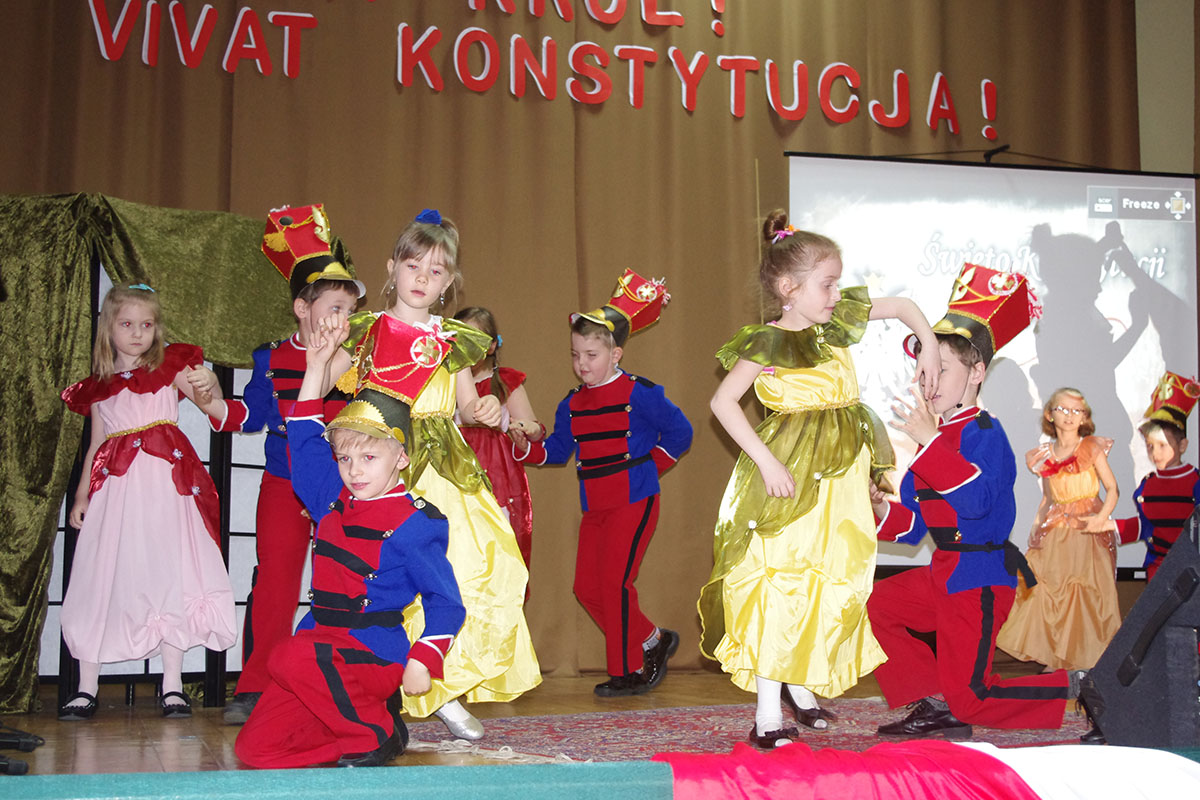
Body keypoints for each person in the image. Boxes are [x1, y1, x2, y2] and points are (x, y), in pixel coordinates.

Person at [698, 213, 941, 750]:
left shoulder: (833, 324)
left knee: (830, 579)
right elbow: (722, 403)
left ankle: (800, 688)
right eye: (827, 284)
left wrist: (926, 341)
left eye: (837, 283)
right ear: (789, 288)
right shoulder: (767, 342)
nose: (836, 294)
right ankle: (768, 715)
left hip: (841, 479)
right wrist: (766, 462)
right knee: (782, 580)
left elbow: (903, 306)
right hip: (792, 477)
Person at [325, 208, 540, 740]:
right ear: (392, 268)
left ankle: (441, 685)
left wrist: (485, 410)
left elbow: (467, 406)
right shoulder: (368, 332)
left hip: (445, 467)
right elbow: (324, 381)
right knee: (385, 578)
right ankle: (381, 686)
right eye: (413, 265)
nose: (422, 278)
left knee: (462, 570)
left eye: (436, 271)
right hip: (386, 464)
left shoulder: (454, 340)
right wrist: (324, 346)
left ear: (449, 283)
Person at [235, 320, 465, 768]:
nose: (354, 470)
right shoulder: (330, 497)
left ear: (401, 457)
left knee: (286, 655)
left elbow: (446, 601)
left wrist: (424, 659)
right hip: (317, 653)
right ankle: (376, 727)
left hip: (371, 655)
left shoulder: (416, 523)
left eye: (369, 457)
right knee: (255, 750)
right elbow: (303, 438)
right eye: (344, 458)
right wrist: (316, 368)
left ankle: (373, 733)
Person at [869, 263, 1080, 740]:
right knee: (876, 604)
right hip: (944, 574)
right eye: (924, 368)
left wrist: (930, 444)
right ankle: (934, 702)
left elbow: (978, 504)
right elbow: (913, 527)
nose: (929, 379)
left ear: (977, 372)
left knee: (973, 699)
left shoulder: (985, 431)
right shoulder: (931, 439)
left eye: (942, 368)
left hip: (980, 579)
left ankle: (1079, 688)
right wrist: (878, 506)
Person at [207, 203, 365, 725]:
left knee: (344, 582)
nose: (343, 319)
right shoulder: (269, 357)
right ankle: (256, 686)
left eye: (349, 310)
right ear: (302, 307)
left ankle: (342, 684)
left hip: (342, 487)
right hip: (283, 483)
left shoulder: (357, 358)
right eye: (334, 307)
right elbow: (250, 415)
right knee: (275, 581)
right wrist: (211, 403)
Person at [58, 284, 237, 720]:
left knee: (168, 572)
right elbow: (96, 444)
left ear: (157, 329)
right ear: (109, 328)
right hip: (115, 491)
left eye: (146, 324)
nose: (137, 333)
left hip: (164, 489)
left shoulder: (170, 368)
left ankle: (172, 684)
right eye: (127, 324)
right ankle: (86, 686)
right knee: (103, 574)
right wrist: (81, 494)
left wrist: (210, 383)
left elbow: (210, 403)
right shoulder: (100, 387)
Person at [513, 270, 693, 697]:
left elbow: (681, 432)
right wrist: (526, 447)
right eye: (576, 355)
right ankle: (652, 640)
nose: (582, 364)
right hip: (595, 505)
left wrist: (648, 470)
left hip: (634, 498)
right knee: (587, 588)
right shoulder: (572, 403)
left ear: (615, 354)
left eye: (592, 355)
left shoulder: (639, 392)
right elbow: (557, 451)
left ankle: (628, 670)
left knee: (615, 585)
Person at [996, 388, 1120, 671]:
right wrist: (1036, 526)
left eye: (1076, 410)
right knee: (1045, 586)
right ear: (1050, 414)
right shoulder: (1046, 456)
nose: (1069, 415)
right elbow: (1048, 499)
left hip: (1086, 529)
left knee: (1081, 591)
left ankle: (1081, 657)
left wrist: (1101, 518)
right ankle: (1056, 656)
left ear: (1084, 417)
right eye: (1063, 409)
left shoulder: (1091, 447)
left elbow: (1112, 489)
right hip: (1057, 529)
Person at [453, 306, 542, 570]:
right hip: (455, 472)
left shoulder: (504, 381)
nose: (467, 348)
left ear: (491, 346)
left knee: (497, 551)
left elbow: (534, 427)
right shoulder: (445, 382)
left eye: (475, 340)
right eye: (461, 339)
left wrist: (525, 431)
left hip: (497, 478)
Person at [1110, 372, 1200, 580]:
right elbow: (1146, 526)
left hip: (1191, 574)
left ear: (1182, 445)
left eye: (1163, 445)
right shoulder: (1148, 485)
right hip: (1158, 573)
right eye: (1150, 446)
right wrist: (1108, 527)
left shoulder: (1195, 482)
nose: (1155, 453)